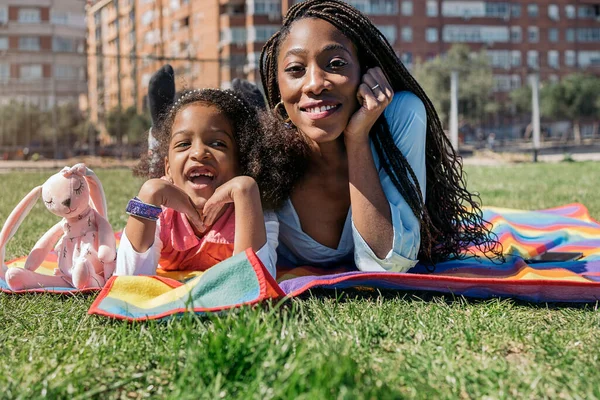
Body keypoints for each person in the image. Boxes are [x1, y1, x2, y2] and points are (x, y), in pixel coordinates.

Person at [260, 0, 501, 272]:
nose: (315, 83)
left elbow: (388, 264)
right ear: (277, 86)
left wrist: (357, 137)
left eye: (336, 63)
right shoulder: (262, 150)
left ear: (366, 72)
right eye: (295, 69)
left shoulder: (400, 115)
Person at [116, 88, 293, 278]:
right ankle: (156, 149)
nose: (199, 153)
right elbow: (127, 281)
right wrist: (149, 193)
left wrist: (245, 190)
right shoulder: (159, 212)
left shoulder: (256, 210)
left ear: (243, 163)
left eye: (218, 144)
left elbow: (252, 284)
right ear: (167, 168)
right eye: (184, 144)